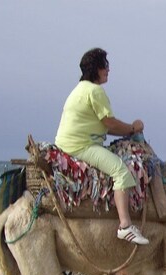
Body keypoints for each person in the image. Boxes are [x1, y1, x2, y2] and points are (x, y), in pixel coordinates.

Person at [55, 47, 149, 245]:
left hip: (70, 143)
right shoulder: (96, 91)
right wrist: (134, 126)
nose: (108, 70)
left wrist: (129, 131)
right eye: (105, 66)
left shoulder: (80, 89)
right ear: (96, 68)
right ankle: (125, 226)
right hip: (81, 146)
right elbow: (110, 123)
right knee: (121, 170)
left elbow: (106, 127)